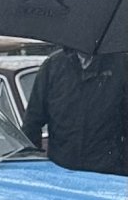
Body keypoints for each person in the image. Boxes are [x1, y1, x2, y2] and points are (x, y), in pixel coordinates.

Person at [22, 48, 128, 177]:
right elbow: (32, 121)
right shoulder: (53, 66)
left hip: (108, 174)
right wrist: (33, 168)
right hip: (61, 170)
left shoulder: (121, 66)